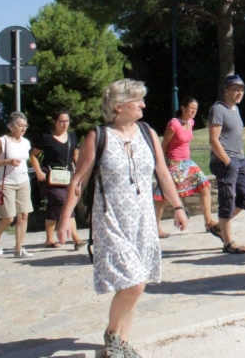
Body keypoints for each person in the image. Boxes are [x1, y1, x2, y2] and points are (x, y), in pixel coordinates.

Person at [56, 79, 188, 357]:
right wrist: (65, 218)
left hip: (143, 222)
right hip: (111, 221)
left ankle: (122, 345)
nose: (143, 104)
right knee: (134, 283)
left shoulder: (147, 132)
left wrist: (177, 207)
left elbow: (162, 173)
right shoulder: (98, 136)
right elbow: (78, 181)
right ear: (118, 107)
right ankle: (113, 334)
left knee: (136, 285)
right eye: (137, 100)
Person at [154, 96, 219, 239]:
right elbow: (164, 145)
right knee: (163, 196)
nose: (194, 111)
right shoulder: (174, 124)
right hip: (174, 164)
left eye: (196, 109)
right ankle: (156, 228)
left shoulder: (191, 122)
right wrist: (162, 165)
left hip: (187, 162)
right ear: (183, 108)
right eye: (191, 108)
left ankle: (208, 222)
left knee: (205, 186)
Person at [209, 74, 245, 254]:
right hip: (225, 161)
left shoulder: (236, 110)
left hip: (240, 160)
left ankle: (219, 226)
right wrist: (227, 161)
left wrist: (240, 156)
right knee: (227, 199)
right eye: (236, 89)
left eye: (241, 90)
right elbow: (213, 139)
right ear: (226, 91)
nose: (239, 93)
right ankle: (228, 242)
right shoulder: (218, 109)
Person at [29, 109, 85, 249]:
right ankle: (76, 238)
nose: (65, 124)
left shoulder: (72, 136)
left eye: (67, 121)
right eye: (61, 121)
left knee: (54, 207)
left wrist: (80, 172)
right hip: (51, 177)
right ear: (55, 122)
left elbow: (75, 155)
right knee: (63, 202)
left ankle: (49, 239)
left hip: (67, 176)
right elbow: (33, 155)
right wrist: (38, 171)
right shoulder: (46, 137)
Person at [0, 112, 34, 258]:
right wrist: (7, 162)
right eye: (20, 125)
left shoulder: (26, 142)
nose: (23, 128)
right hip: (5, 183)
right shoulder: (3, 141)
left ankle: (18, 249)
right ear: (11, 126)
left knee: (24, 215)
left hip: (23, 182)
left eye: (25, 126)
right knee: (8, 217)